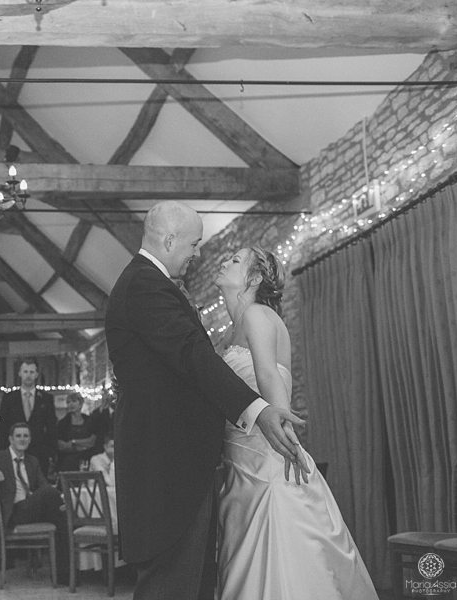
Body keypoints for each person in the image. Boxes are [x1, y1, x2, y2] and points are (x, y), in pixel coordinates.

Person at [104, 200, 308, 600]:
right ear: (169, 239)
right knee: (171, 585)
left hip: (186, 464)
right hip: (166, 466)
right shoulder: (145, 283)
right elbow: (191, 357)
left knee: (191, 583)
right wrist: (258, 410)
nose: (199, 253)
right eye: (195, 244)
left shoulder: (149, 283)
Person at [213, 247, 377, 599]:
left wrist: (283, 430)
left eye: (235, 260)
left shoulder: (256, 314)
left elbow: (269, 373)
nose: (224, 261)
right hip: (239, 463)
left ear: (254, 279)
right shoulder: (235, 329)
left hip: (265, 460)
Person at [0, 423, 69, 584]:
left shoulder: (32, 461)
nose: (22, 439)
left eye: (26, 436)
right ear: (10, 439)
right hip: (14, 513)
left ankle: (64, 574)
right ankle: (66, 574)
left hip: (31, 509)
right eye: (18, 436)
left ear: (30, 440)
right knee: (57, 504)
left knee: (61, 518)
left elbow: (43, 485)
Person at [0, 359, 57, 475]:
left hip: (40, 451)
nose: (28, 375)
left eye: (31, 372)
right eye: (25, 372)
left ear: (36, 375)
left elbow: (51, 427)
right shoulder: (9, 398)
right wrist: (2, 452)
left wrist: (51, 452)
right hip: (14, 450)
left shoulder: (46, 398)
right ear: (19, 373)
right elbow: (3, 427)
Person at [55, 392, 96, 472]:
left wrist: (74, 442)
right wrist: (82, 446)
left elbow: (92, 442)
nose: (71, 404)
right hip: (67, 461)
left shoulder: (89, 420)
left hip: (87, 459)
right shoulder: (62, 423)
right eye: (68, 402)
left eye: (73, 401)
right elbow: (61, 445)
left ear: (80, 403)